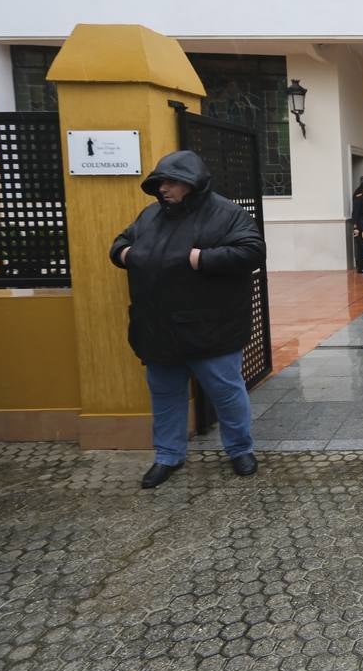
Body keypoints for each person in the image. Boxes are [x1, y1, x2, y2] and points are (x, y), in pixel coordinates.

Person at [110, 150, 267, 489]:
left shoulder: (227, 214)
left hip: (212, 327)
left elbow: (252, 251)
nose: (163, 188)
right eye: (159, 182)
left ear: (191, 183)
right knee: (165, 395)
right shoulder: (149, 216)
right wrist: (128, 254)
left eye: (170, 182)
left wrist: (200, 259)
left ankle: (240, 450)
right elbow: (120, 244)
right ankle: (167, 456)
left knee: (225, 392)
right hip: (158, 327)